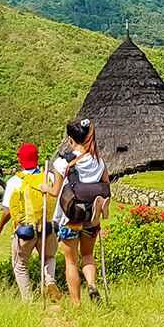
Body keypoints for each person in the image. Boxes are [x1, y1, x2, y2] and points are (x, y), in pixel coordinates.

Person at [48, 118, 111, 305]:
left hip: (70, 219)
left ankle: (76, 304)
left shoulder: (62, 163)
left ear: (70, 139)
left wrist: (45, 187)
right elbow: (106, 186)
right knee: (88, 255)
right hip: (92, 218)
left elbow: (55, 191)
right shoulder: (99, 162)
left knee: (71, 261)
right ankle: (91, 285)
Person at [0, 142, 61, 302]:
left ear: (20, 160)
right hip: (48, 227)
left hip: (26, 232)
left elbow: (8, 210)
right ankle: (50, 281)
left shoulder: (14, 182)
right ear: (36, 158)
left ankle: (28, 299)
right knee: (49, 257)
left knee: (20, 265)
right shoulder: (48, 177)